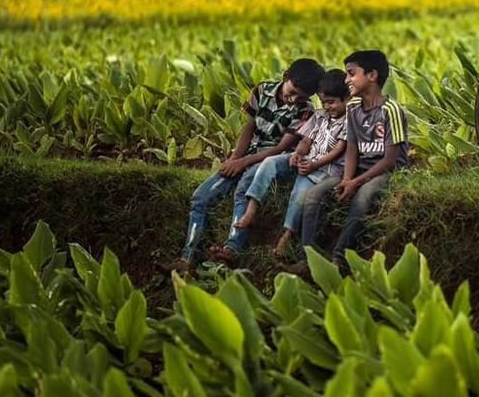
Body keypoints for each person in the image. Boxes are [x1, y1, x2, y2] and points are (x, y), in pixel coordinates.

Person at [163, 58, 325, 275]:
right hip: (246, 155)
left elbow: (279, 149)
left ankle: (232, 249)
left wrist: (243, 162)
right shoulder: (262, 90)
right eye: (293, 91)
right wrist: (235, 157)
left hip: (268, 160)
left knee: (243, 191)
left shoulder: (306, 110)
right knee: (200, 197)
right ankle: (187, 257)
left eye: (301, 97)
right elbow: (249, 127)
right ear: (286, 76)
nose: (294, 99)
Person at [292, 50, 409, 274]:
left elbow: (390, 160)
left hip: (386, 170)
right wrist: (346, 178)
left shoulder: (391, 110)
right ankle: (308, 260)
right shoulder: (354, 106)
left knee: (363, 199)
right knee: (314, 195)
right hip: (358, 169)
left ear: (372, 75)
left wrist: (356, 182)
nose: (346, 80)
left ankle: (340, 257)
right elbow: (352, 147)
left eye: (351, 74)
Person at [214, 69, 349, 261]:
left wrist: (313, 163)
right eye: (324, 102)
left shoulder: (350, 120)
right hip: (306, 161)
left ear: (347, 98)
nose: (327, 106)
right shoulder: (319, 116)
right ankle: (252, 207)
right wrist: (298, 154)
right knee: (269, 162)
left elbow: (339, 150)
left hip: (324, 169)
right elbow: (305, 140)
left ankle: (286, 234)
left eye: (332, 102)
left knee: (299, 194)